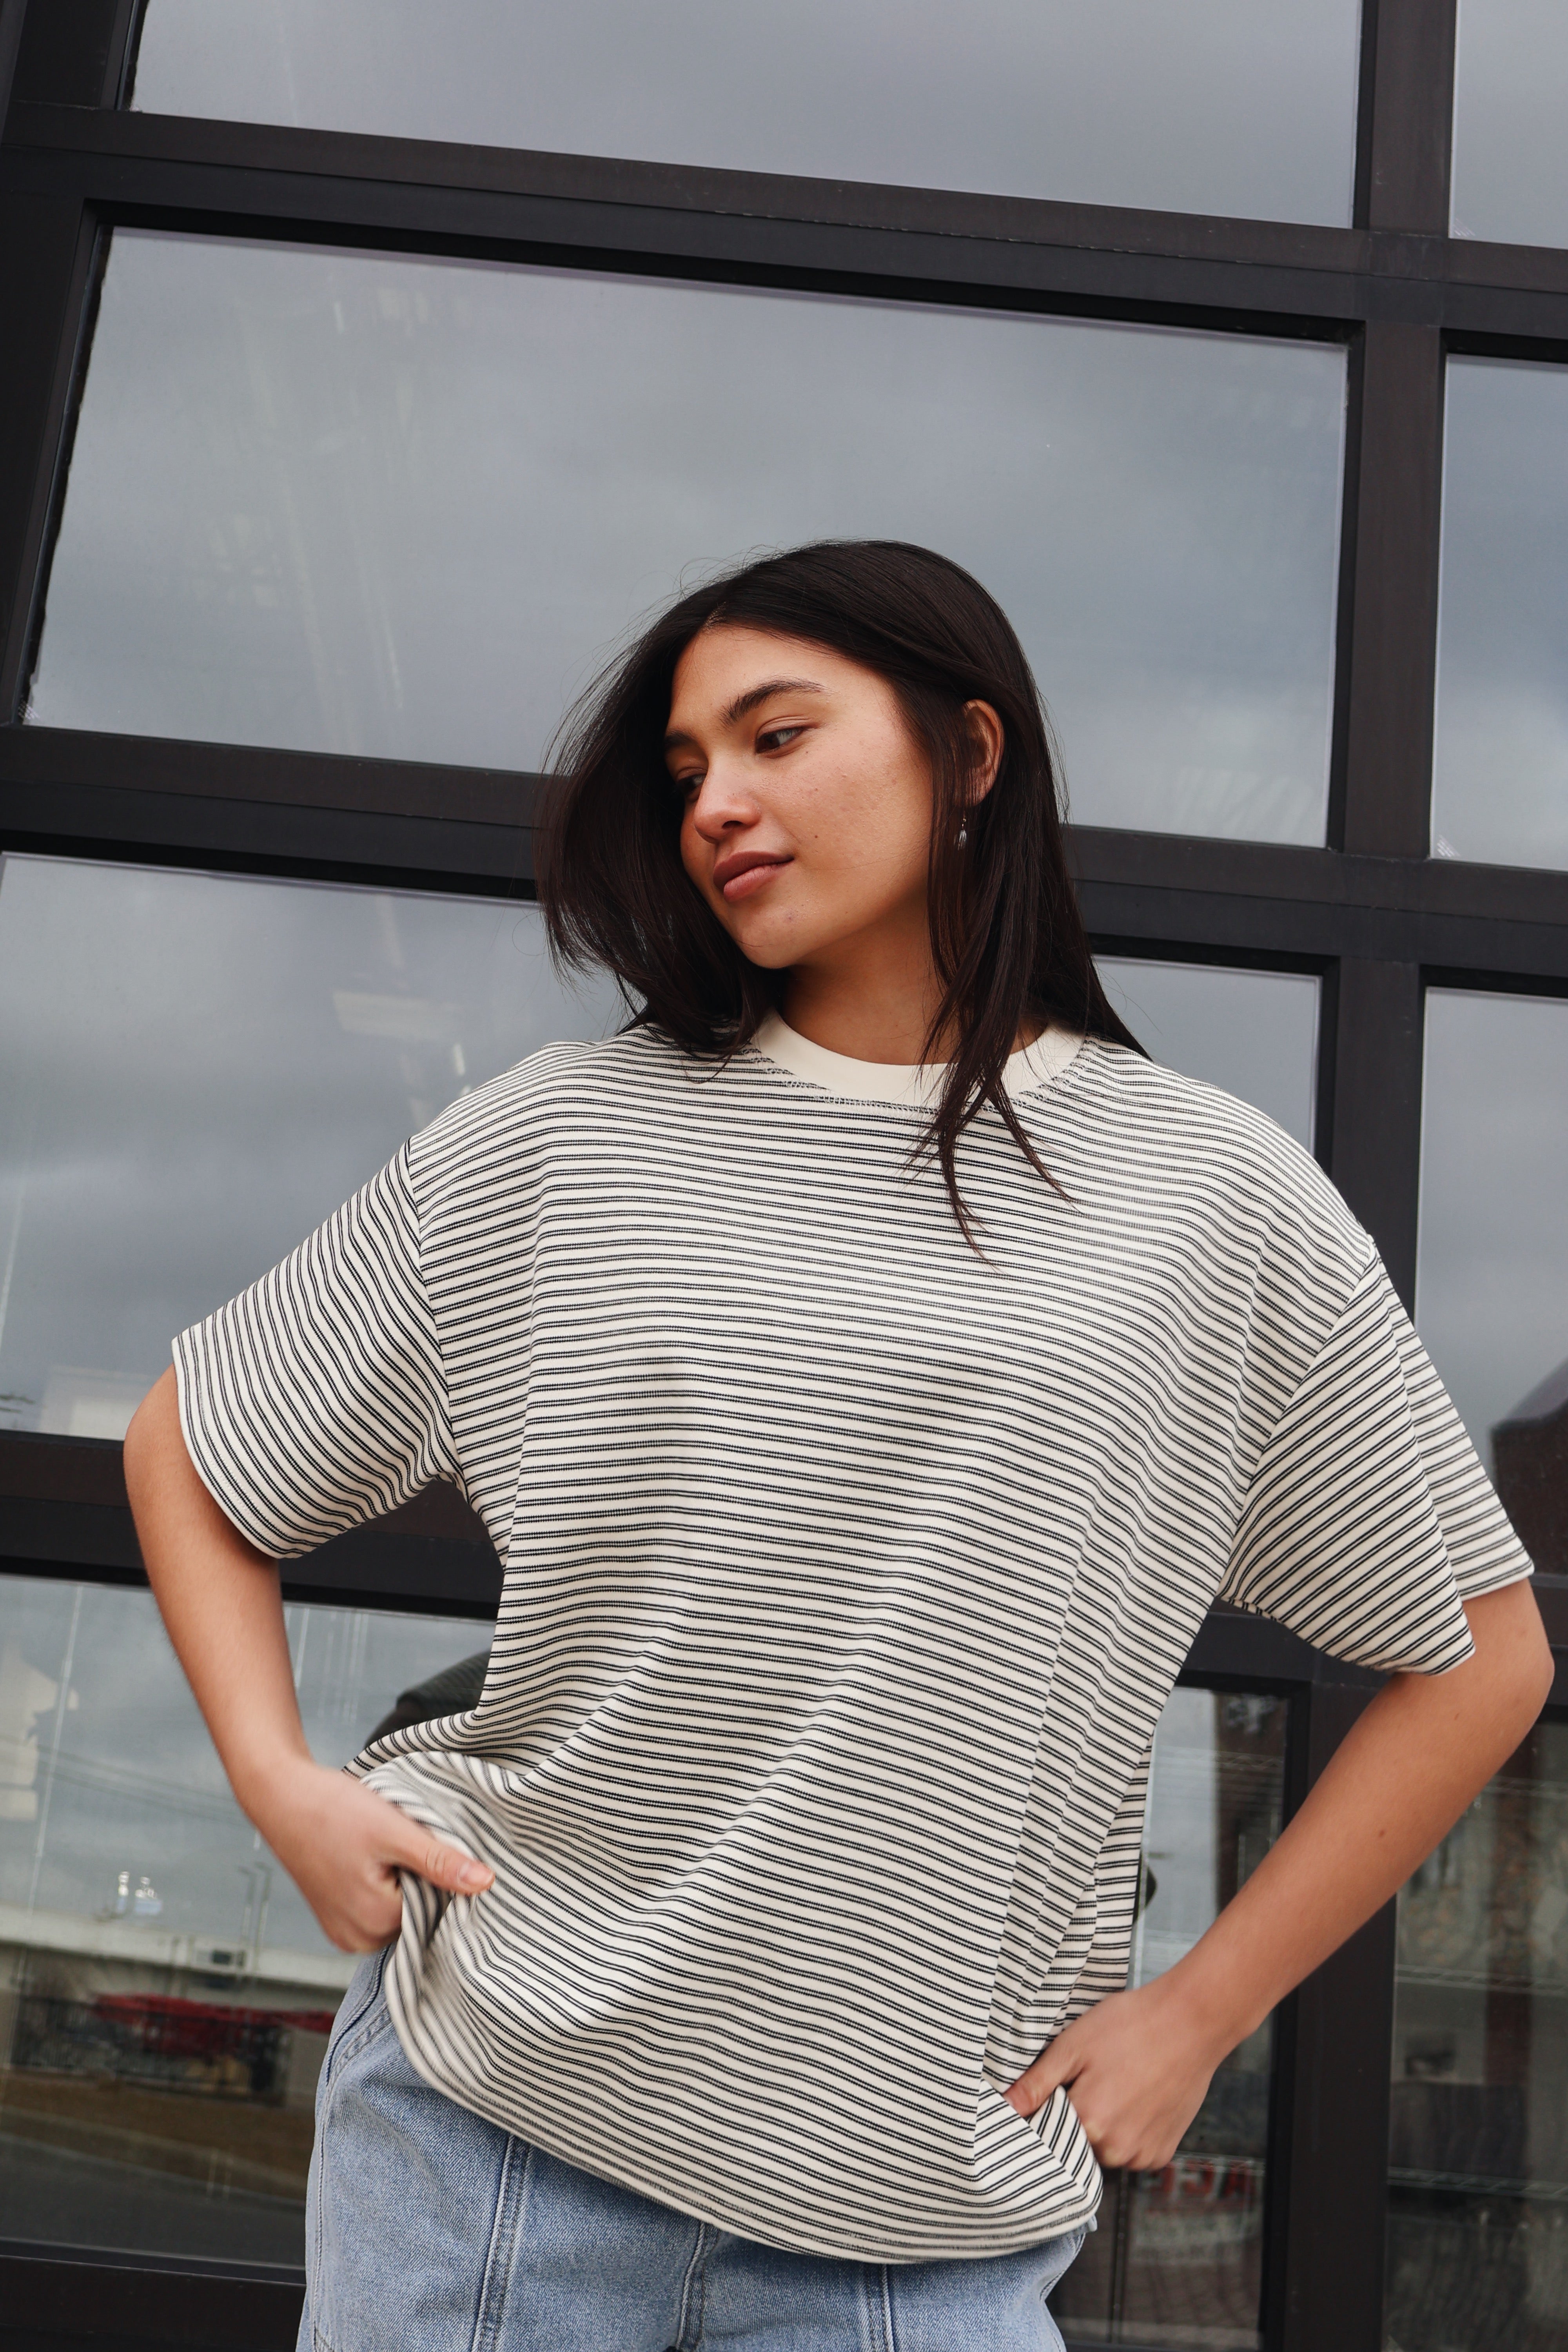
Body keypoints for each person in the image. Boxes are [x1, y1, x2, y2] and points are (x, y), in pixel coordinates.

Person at [124, 541, 1551, 2351]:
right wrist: (275, 1777)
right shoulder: (567, 1136)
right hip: (498, 2129)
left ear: (971, 754)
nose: (717, 802)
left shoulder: (1210, 1195)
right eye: (685, 772)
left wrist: (1203, 2010)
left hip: (916, 2225)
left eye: (776, 736)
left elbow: (1481, 1659)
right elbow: (196, 1442)